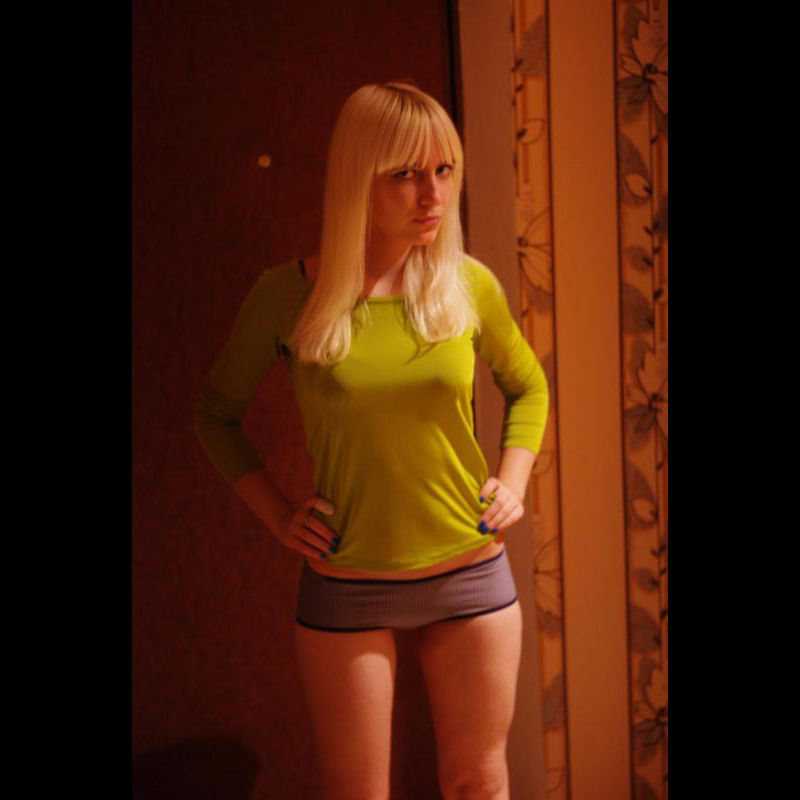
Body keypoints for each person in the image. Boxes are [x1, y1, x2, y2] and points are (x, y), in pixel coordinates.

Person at [194, 80, 548, 800]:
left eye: (444, 170)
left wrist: (513, 482)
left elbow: (529, 387)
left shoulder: (468, 285)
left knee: (480, 783)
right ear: (359, 178)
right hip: (347, 584)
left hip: (470, 571)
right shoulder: (286, 296)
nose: (432, 194)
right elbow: (215, 415)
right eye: (406, 174)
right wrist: (280, 517)